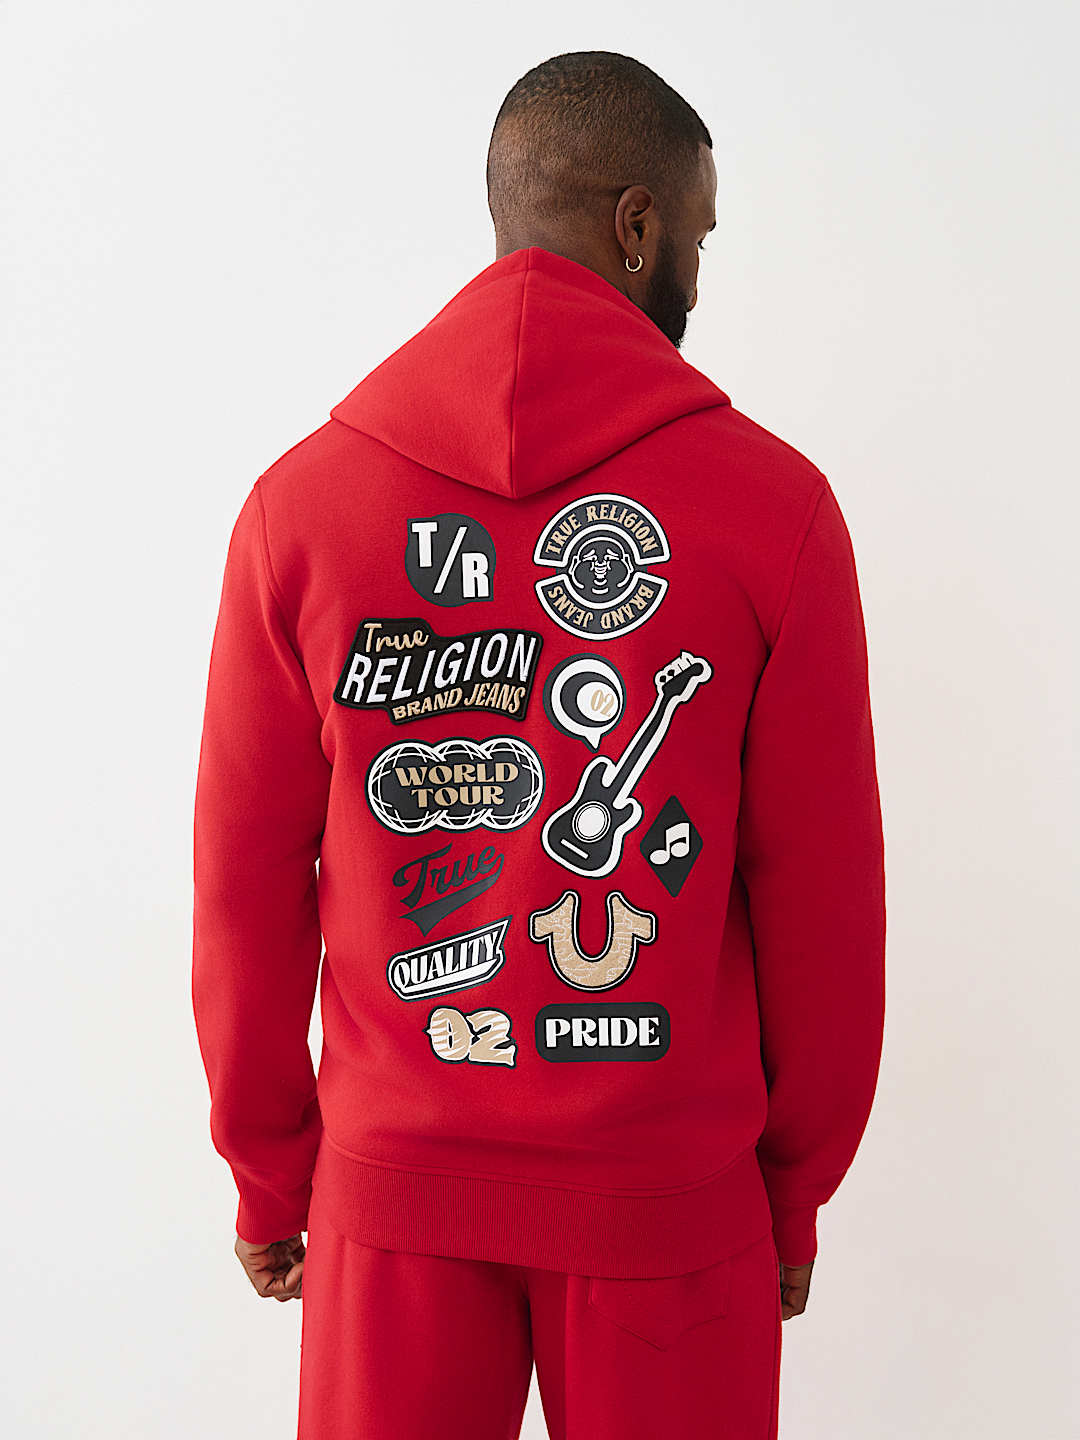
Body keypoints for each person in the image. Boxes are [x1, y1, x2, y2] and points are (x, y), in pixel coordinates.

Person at [192, 49, 886, 1440]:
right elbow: (823, 899)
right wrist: (790, 1189)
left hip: (393, 1194)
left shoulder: (303, 507)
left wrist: (274, 1168)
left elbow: (244, 880)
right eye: (697, 239)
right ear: (637, 224)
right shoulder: (775, 511)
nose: (697, 279)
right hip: (670, 1208)